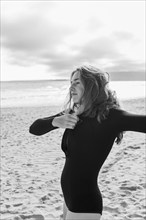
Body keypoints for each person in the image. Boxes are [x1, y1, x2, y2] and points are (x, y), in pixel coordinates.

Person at [29, 65, 146, 220]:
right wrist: (56, 121)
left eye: (77, 82)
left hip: (85, 205)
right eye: (71, 82)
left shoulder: (111, 116)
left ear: (92, 85)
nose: (71, 86)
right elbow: (34, 128)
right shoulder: (74, 113)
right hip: (68, 200)